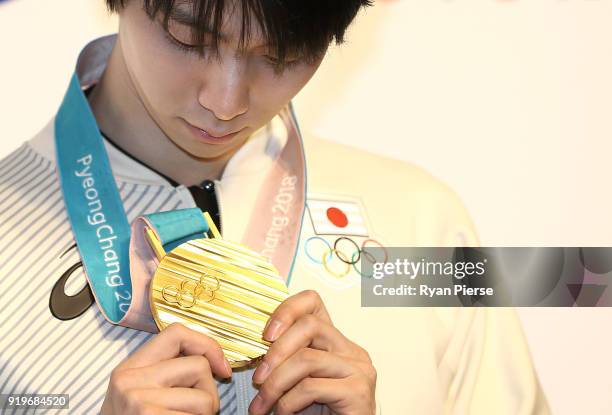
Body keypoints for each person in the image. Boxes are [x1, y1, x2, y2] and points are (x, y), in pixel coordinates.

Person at [0, 0, 550, 413]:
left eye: (282, 55)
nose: (225, 101)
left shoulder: (424, 224)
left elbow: (586, 284)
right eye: (189, 37)